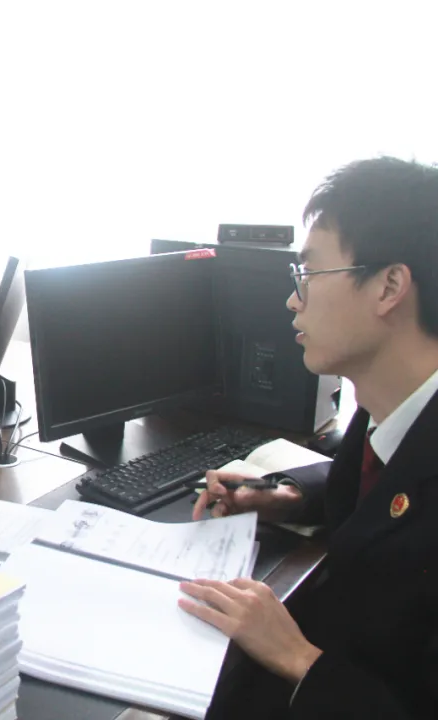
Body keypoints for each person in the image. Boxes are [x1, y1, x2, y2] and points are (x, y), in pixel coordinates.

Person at [184, 157, 438, 719]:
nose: (293, 300)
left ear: (390, 286)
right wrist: (285, 495)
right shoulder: (389, 406)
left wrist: (298, 658)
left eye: (309, 274)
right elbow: (380, 484)